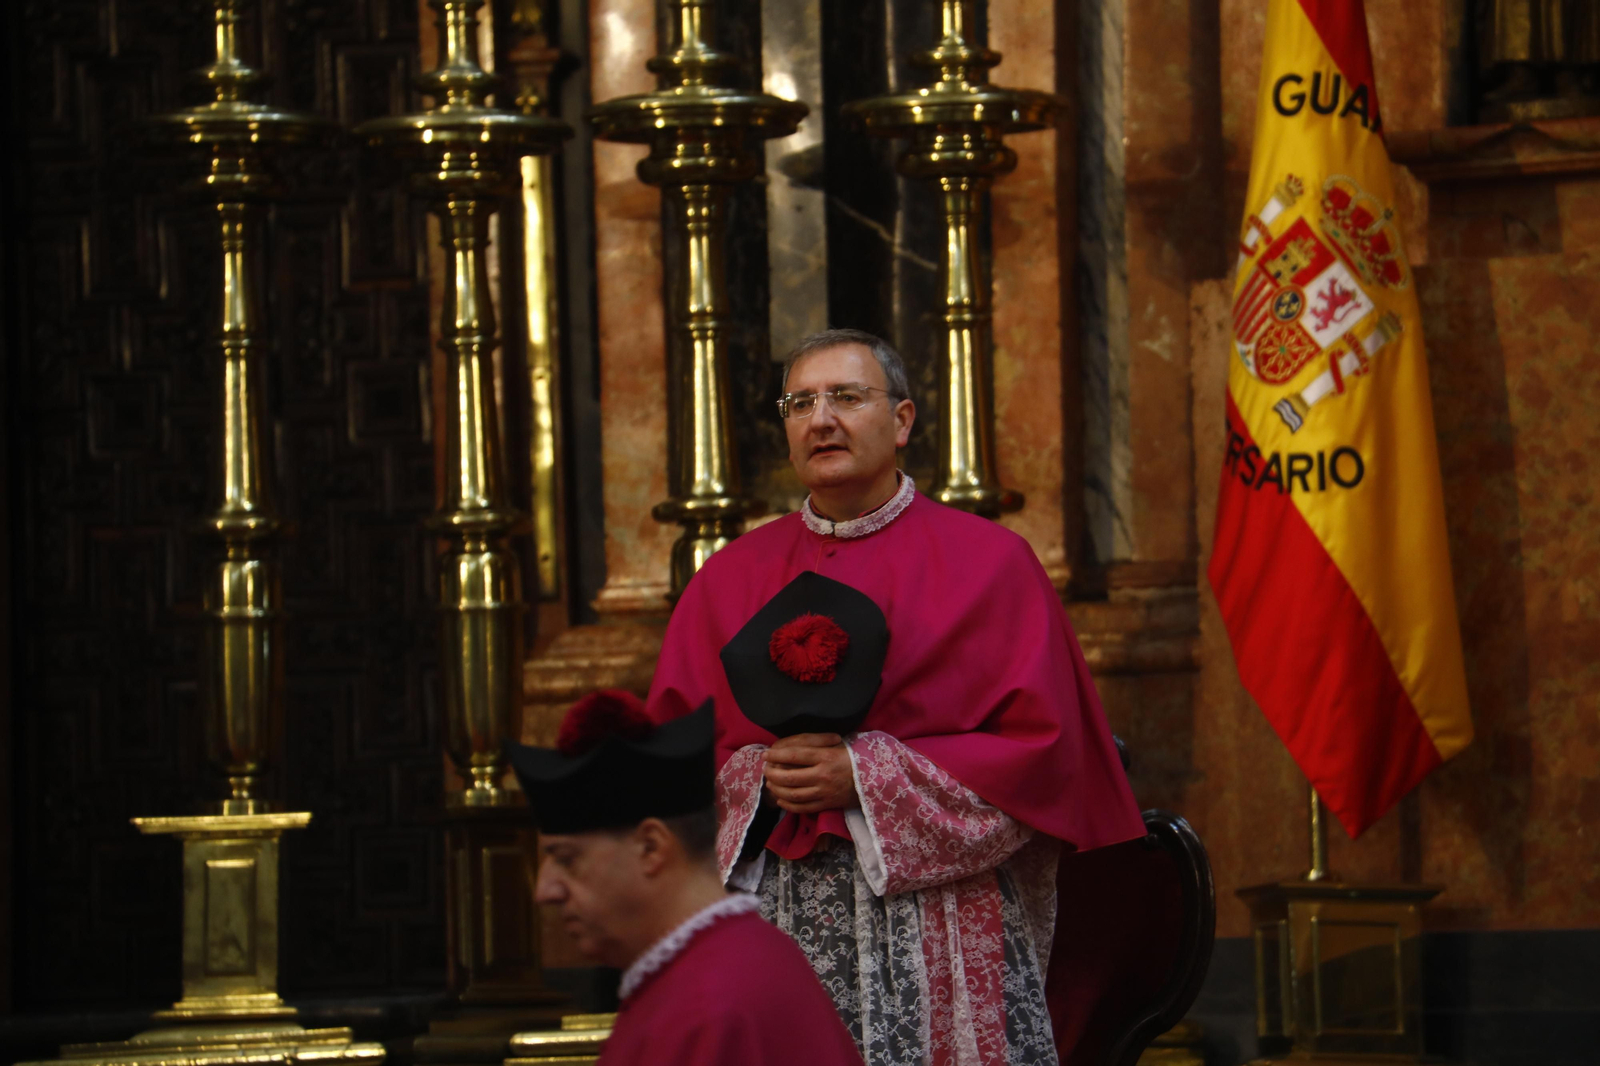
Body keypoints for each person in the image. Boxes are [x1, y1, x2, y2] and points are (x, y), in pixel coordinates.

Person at [646, 328, 1146, 1066]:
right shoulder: (729, 578)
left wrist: (863, 776)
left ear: (903, 419)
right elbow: (668, 763)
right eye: (800, 403)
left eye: (847, 397)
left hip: (944, 922)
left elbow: (1045, 753)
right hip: (775, 917)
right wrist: (761, 776)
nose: (821, 419)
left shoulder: (991, 565)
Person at [506, 692, 864, 1066]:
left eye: (567, 859)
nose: (545, 890)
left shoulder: (709, 1008)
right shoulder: (729, 967)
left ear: (651, 847)